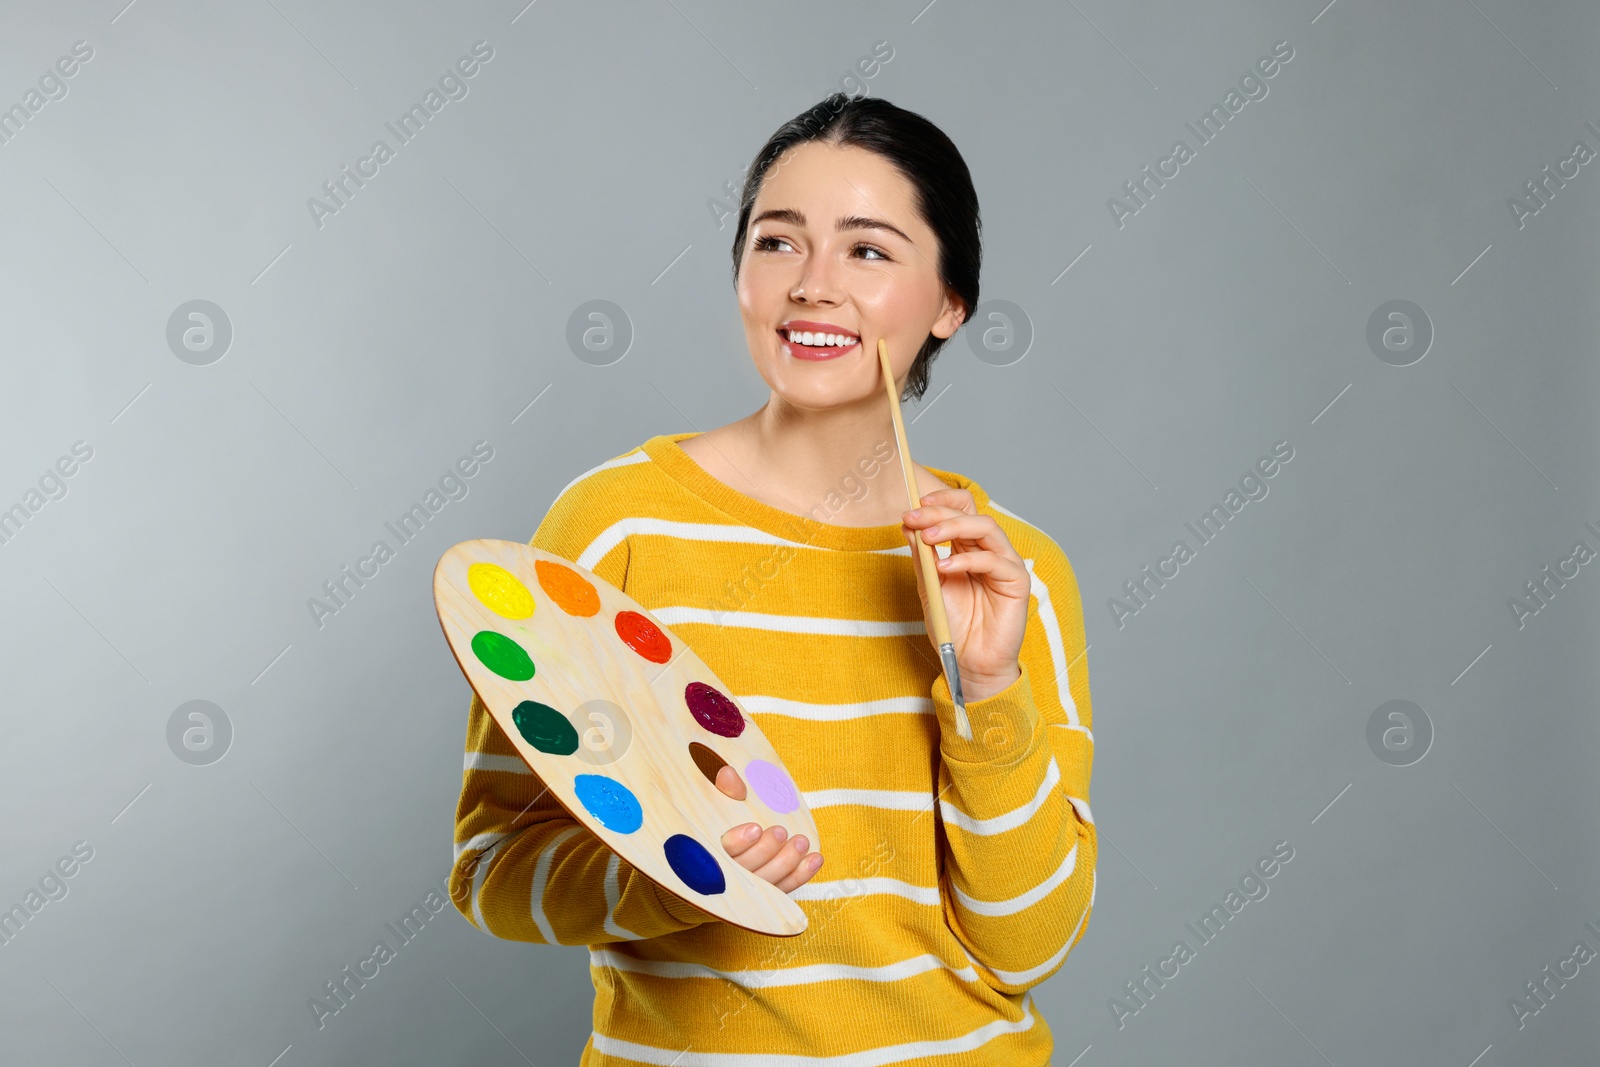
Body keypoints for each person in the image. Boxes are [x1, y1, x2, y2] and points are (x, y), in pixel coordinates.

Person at [448, 91, 1097, 1065]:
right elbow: (494, 868)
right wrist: (678, 877)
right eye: (777, 242)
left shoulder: (1015, 573)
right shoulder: (613, 526)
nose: (813, 284)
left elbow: (1029, 940)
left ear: (950, 303)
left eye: (869, 251)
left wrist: (986, 690)